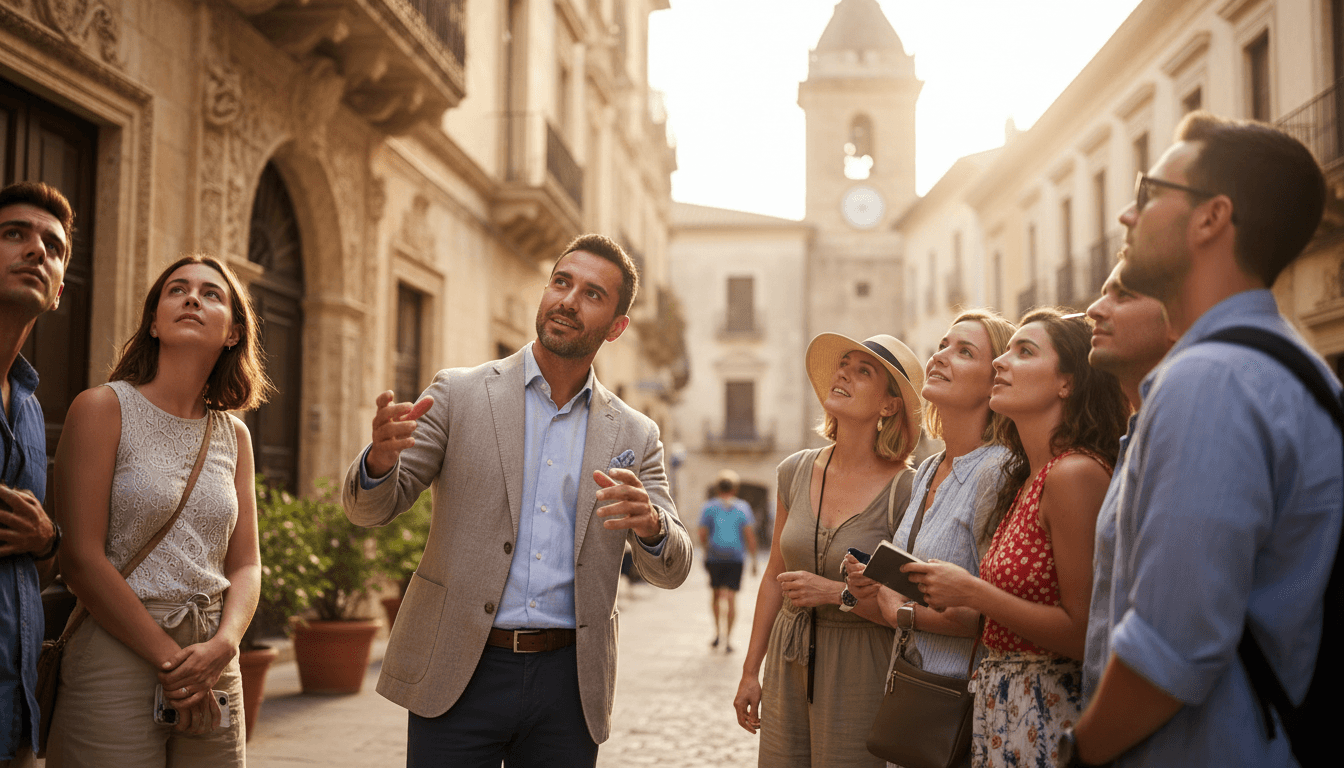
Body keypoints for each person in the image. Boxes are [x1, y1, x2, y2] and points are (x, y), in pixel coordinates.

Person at [342, 233, 692, 767]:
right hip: (459, 670)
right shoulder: (458, 394)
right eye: (561, 282)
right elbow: (369, 509)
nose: (569, 301)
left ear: (617, 327)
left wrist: (652, 527)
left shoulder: (636, 433)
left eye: (592, 294)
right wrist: (379, 464)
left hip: (568, 686)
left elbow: (672, 568)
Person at [1065, 114, 1341, 767]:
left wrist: (1080, 755)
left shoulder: (1208, 380)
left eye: (1148, 192)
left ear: (1211, 219)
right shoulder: (1296, 369)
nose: (1127, 218)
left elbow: (1170, 647)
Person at [47, 255, 268, 767]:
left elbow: (246, 564)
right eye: (177, 289)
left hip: (212, 655)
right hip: (118, 649)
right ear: (153, 321)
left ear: (234, 333)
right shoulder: (102, 408)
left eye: (212, 294)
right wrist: (173, 663)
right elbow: (79, 558)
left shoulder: (235, 436)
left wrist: (225, 646)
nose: (192, 297)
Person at [905, 309, 1128, 768]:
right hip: (1006, 713)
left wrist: (972, 592)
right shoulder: (1028, 478)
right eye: (1005, 351)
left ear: (1067, 381)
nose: (1001, 363)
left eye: (1024, 352)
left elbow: (1085, 631)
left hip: (1047, 714)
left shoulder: (1074, 474)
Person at [734, 332, 924, 768]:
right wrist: (749, 671)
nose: (843, 373)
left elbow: (905, 611)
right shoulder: (794, 471)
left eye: (863, 371)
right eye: (843, 364)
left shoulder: (907, 490)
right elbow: (772, 578)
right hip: (787, 656)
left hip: (863, 665)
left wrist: (834, 593)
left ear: (889, 404)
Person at [842, 310, 1016, 766]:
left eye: (965, 351)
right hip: (913, 691)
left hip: (961, 707)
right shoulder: (927, 471)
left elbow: (990, 612)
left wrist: (897, 609)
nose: (940, 357)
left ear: (994, 380)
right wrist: (872, 583)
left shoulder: (995, 472)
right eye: (943, 344)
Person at [1079, 262, 1175, 704]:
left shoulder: (1180, 429)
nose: (1095, 309)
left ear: (1178, 315)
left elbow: (1172, 636)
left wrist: (1089, 745)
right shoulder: (1134, 438)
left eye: (1123, 294)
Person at [0, 182, 69, 767]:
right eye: (13, 235)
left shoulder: (29, 407)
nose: (36, 250)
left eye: (52, 244)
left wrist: (48, 538)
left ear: (61, 287)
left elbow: (36, 558)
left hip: (17, 714)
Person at [699, 469, 758, 652]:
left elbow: (702, 533)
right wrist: (754, 560)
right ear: (735, 488)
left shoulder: (709, 507)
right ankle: (729, 639)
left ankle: (718, 634)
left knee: (716, 596)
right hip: (735, 558)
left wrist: (707, 551)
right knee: (731, 598)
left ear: (718, 488)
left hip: (715, 558)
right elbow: (749, 535)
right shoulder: (743, 507)